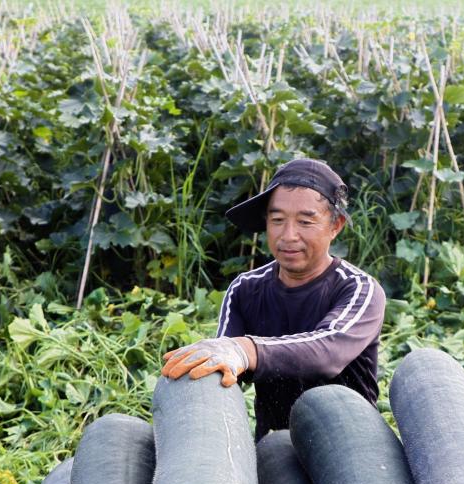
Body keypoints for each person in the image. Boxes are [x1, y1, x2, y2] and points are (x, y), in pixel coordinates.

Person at [161, 158, 386, 440]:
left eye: (305, 221)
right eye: (277, 220)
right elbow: (227, 371)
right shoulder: (245, 288)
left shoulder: (358, 289)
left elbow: (329, 350)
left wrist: (246, 349)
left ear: (335, 225)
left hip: (349, 446)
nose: (288, 236)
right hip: (276, 449)